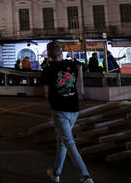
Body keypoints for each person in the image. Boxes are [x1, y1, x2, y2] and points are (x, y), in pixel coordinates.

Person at [43, 41, 94, 183]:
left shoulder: (48, 69)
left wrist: (48, 63)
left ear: (49, 54)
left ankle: (85, 176)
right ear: (61, 52)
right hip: (74, 109)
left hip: (60, 111)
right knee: (62, 141)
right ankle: (56, 172)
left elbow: (46, 82)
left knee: (69, 142)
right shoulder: (72, 65)